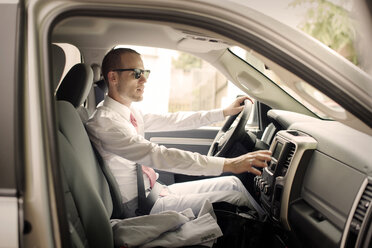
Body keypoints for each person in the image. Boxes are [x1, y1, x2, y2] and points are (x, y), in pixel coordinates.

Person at [85, 48, 272, 218]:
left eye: (145, 72)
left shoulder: (129, 113)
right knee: (233, 196)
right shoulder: (106, 123)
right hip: (140, 206)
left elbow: (174, 119)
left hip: (155, 192)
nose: (144, 79)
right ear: (113, 77)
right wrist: (230, 163)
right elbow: (158, 155)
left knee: (233, 183)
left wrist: (222, 113)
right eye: (136, 73)